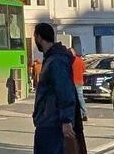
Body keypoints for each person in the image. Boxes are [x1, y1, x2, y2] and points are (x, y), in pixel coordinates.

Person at [31, 23, 77, 154]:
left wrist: (66, 120)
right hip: (49, 120)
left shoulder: (55, 60)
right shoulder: (52, 58)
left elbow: (64, 90)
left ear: (39, 38)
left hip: (52, 122)